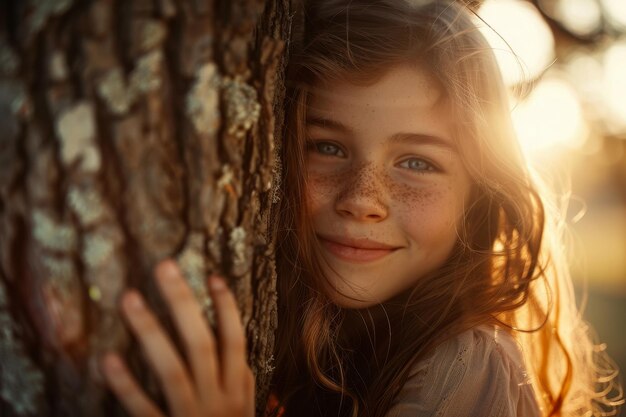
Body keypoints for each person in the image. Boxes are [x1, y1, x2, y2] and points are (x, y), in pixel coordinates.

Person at [101, 1, 623, 416]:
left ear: (478, 197)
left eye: (417, 162)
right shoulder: (305, 336)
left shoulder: (466, 369)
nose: (361, 200)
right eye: (327, 147)